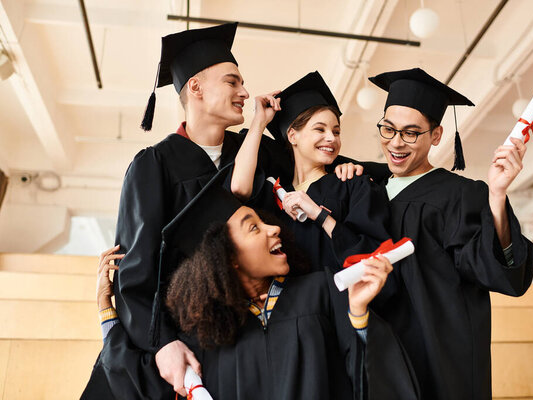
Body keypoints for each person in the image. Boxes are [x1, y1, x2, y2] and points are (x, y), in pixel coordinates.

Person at [90, 166, 420, 400]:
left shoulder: (322, 292)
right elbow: (134, 387)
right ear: (226, 258)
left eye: (265, 222)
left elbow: (373, 374)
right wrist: (107, 310)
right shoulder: (203, 339)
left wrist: (359, 315)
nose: (274, 229)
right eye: (253, 228)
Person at [107, 23, 297, 397]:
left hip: (261, 334)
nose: (244, 92)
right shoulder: (154, 165)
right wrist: (162, 342)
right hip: (187, 339)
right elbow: (136, 269)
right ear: (195, 87)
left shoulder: (256, 151)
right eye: (232, 82)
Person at [367, 68, 533, 400]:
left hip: (435, 360)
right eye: (388, 128)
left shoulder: (459, 194)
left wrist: (497, 196)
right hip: (376, 352)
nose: (395, 142)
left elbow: (501, 273)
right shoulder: (366, 190)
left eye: (411, 133)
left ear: (437, 135)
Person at [231, 71, 390, 270]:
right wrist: (259, 121)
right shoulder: (276, 198)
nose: (332, 138)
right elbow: (239, 188)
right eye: (320, 129)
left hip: (342, 298)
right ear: (292, 136)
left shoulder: (353, 185)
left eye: (336, 131)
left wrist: (318, 214)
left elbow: (375, 258)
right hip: (292, 300)